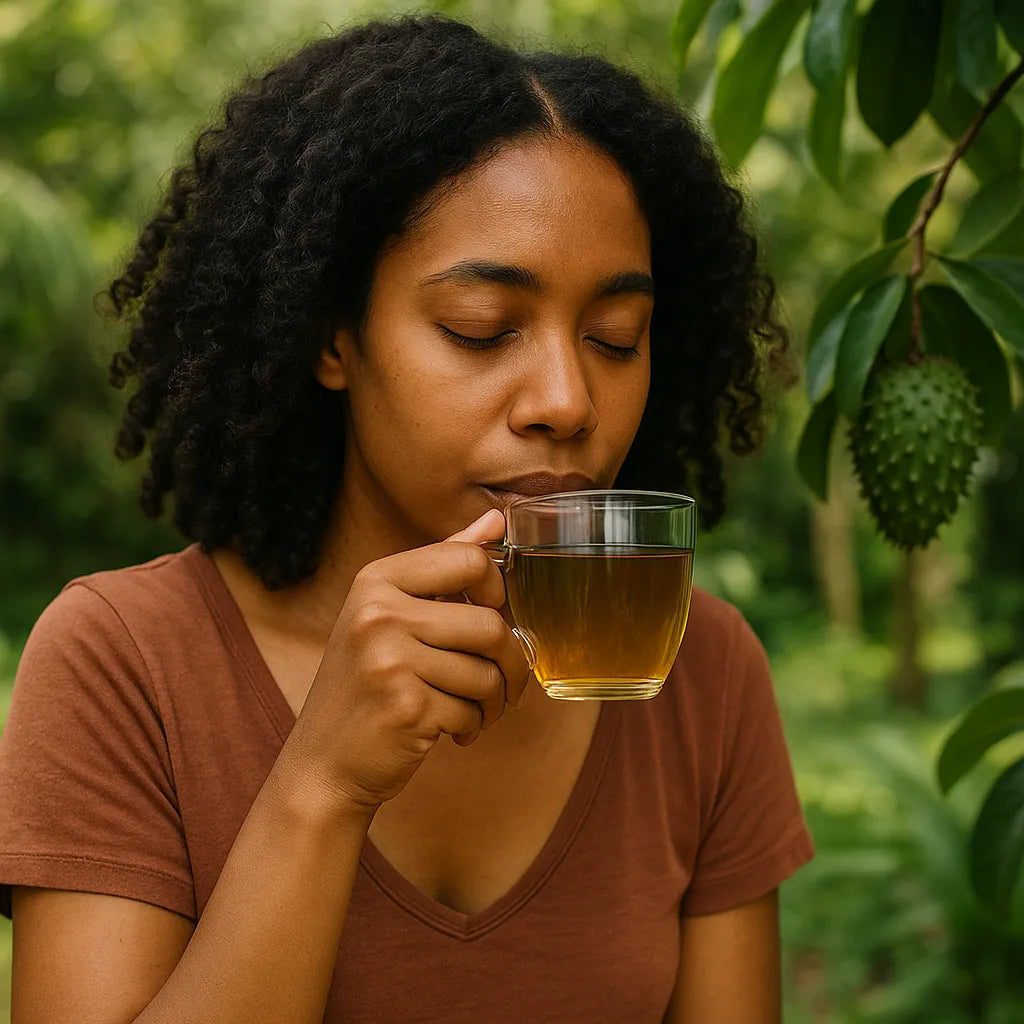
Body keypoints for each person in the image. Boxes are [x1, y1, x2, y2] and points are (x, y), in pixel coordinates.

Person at [0, 12, 814, 1023]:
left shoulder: (701, 674)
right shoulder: (125, 662)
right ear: (331, 336)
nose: (565, 398)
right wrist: (321, 783)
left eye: (615, 336)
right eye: (481, 330)